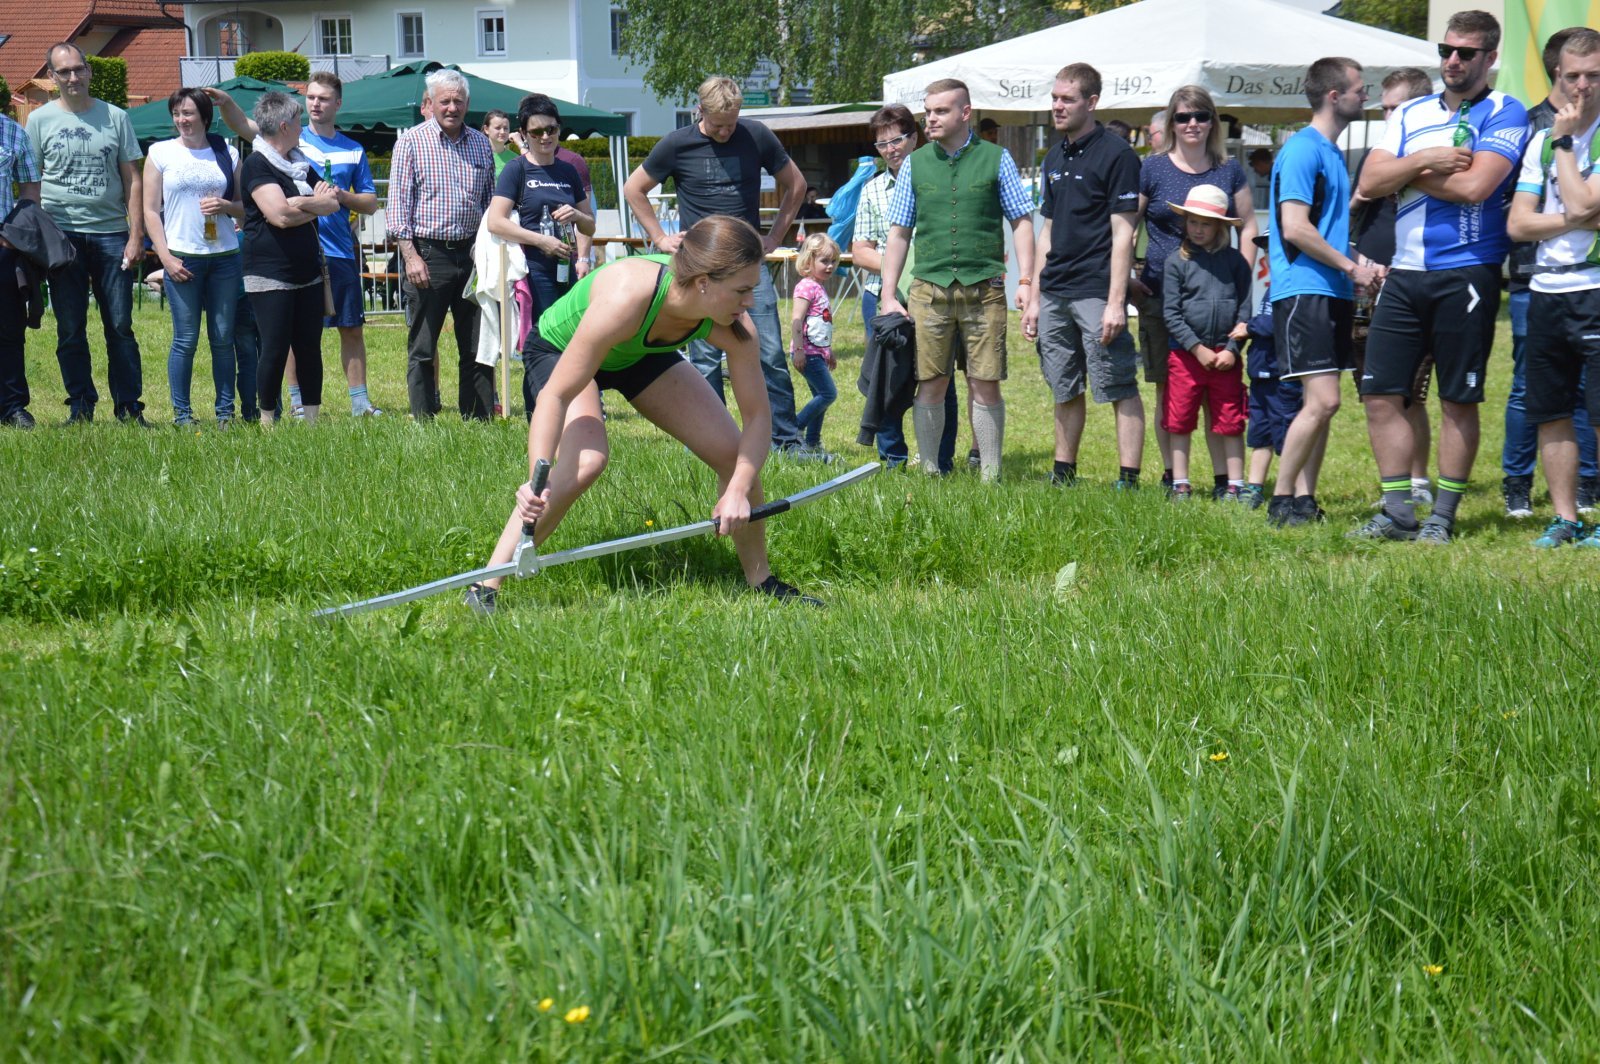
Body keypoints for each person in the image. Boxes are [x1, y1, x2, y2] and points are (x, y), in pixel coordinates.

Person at [465, 216, 820, 613]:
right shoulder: (627, 295)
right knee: (586, 462)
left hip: (639, 353)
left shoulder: (736, 327)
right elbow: (556, 394)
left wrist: (737, 489)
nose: (750, 302)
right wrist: (538, 475)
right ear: (704, 282)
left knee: (733, 455)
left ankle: (761, 580)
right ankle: (484, 585)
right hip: (561, 350)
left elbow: (757, 419)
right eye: (742, 290)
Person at [1351, 10, 1528, 544]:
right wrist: (1427, 159)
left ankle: (1442, 517)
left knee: (1457, 399)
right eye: (1446, 50)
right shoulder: (1411, 111)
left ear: (1489, 57)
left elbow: (1476, 188)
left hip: (1466, 270)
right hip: (1405, 271)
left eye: (1465, 52)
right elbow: (1369, 180)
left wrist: (1403, 174)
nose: (1452, 60)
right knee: (1380, 394)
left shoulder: (1506, 110)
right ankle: (1399, 513)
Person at [623, 76, 812, 454]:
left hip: (748, 264)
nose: (726, 131)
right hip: (700, 269)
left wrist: (775, 236)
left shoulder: (756, 136)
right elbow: (633, 188)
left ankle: (786, 440)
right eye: (718, 124)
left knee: (770, 353)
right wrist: (660, 237)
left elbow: (797, 185)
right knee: (705, 357)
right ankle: (710, 440)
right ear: (700, 111)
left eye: (732, 123)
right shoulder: (677, 144)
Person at [878, 78, 1036, 482]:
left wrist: (1026, 280)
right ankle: (931, 472)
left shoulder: (997, 158)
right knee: (931, 383)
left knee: (985, 383)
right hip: (928, 291)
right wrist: (887, 295)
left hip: (985, 290)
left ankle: (991, 476)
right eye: (928, 111)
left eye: (940, 111)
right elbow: (899, 233)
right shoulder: (914, 163)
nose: (930, 118)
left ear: (965, 113)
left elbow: (1021, 220)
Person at [209, 74, 382, 418]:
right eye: (311, 97)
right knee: (281, 340)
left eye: (323, 98)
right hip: (278, 262)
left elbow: (358, 202)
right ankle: (295, 403)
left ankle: (359, 402)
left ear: (338, 103)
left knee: (342, 329)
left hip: (331, 254)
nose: (315, 104)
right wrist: (227, 103)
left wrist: (310, 201)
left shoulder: (342, 149)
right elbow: (279, 213)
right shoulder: (279, 146)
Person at [1266, 57, 1378, 527]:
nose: (1365, 95)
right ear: (1335, 96)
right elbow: (1295, 227)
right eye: (1359, 88)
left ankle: (1305, 501)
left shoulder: (1331, 152)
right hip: (1304, 289)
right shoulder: (1302, 150)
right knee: (1325, 400)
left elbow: (1325, 230)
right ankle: (1280, 500)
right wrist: (1351, 267)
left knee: (1323, 407)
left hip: (1331, 289)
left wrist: (1360, 261)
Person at [1021, 62, 1145, 488]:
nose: (1057, 106)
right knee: (1064, 385)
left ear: (1091, 103)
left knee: (1118, 383)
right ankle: (1063, 474)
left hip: (1096, 290)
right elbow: (1048, 231)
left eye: (1067, 99)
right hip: (1055, 290)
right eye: (1055, 98)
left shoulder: (1118, 154)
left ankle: (1128, 480)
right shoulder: (1054, 156)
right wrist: (1034, 297)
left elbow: (1124, 233)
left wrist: (1116, 303)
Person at [1135, 85, 1258, 495]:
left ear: (1212, 122)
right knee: (1170, 392)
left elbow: (1249, 225)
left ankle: (1226, 480)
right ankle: (1176, 476)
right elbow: (1127, 225)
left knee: (1220, 398)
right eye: (1183, 116)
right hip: (1161, 294)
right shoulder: (1153, 167)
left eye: (1201, 116)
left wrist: (1240, 275)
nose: (1192, 124)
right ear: (1171, 122)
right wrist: (1127, 279)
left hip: (1220, 296)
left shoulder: (1229, 168)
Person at [1507, 28, 1600, 547]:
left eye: (1594, 76)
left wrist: (1564, 144)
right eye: (1573, 76)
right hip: (1545, 289)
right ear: (1557, 77)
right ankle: (1565, 518)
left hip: (1595, 286)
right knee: (1550, 409)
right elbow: (1518, 225)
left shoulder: (1559, 140)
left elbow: (1584, 202)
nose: (1582, 86)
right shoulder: (1539, 141)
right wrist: (1577, 218)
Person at [26, 42, 148, 425]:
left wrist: (136, 235)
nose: (73, 77)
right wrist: (37, 238)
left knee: (120, 326)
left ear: (89, 71)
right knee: (69, 327)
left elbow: (133, 178)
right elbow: (31, 183)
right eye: (64, 72)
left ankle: (128, 406)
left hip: (112, 233)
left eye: (79, 69)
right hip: (62, 236)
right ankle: (80, 405)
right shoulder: (38, 120)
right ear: (51, 77)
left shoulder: (116, 117)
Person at [850, 103, 959, 471]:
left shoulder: (940, 181)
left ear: (915, 138)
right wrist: (900, 267)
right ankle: (893, 460)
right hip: (883, 298)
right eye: (882, 144)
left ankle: (940, 460)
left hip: (936, 296)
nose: (890, 150)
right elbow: (860, 250)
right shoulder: (872, 190)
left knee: (940, 380)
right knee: (887, 381)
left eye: (896, 140)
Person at [1350, 66, 1438, 506]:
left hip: (1413, 282)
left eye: (1395, 107)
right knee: (1377, 392)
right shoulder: (1377, 155)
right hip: (1366, 289)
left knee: (1411, 391)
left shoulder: (1436, 153)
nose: (1388, 116)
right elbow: (1350, 214)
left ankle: (1417, 482)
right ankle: (1394, 483)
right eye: (1384, 108)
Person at [388, 69, 497, 420]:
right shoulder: (411, 142)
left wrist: (490, 255)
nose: (452, 107)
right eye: (445, 101)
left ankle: (479, 420)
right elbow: (398, 207)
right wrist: (411, 257)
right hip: (428, 254)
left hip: (473, 255)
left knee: (477, 345)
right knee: (423, 345)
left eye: (458, 101)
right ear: (431, 103)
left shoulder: (481, 143)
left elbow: (490, 203)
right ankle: (423, 421)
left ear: (467, 104)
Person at [486, 95, 595, 414]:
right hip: (532, 271)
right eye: (536, 132)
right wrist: (540, 241)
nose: (545, 137)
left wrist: (577, 216)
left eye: (551, 130)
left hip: (566, 267)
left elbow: (590, 225)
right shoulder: (516, 170)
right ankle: (537, 410)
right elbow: (496, 221)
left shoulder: (569, 170)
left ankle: (566, 406)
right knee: (543, 340)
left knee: (569, 339)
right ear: (524, 134)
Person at [142, 87, 244, 427]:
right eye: (176, 113)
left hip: (225, 256)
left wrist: (226, 206)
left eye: (188, 113)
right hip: (182, 257)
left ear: (204, 116)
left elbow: (246, 207)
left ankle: (225, 414)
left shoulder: (227, 152)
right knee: (185, 340)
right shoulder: (160, 152)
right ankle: (182, 415)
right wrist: (165, 258)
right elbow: (150, 210)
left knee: (223, 339)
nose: (181, 120)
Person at [239, 91, 341, 425]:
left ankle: (311, 421)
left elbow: (333, 202)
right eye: (298, 122)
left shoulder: (300, 163)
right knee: (275, 347)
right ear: (284, 126)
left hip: (308, 271)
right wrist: (313, 205)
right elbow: (279, 216)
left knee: (309, 346)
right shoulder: (257, 164)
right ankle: (268, 421)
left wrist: (299, 203)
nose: (302, 127)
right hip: (269, 274)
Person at [1161, 185, 1252, 501]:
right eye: (1193, 222)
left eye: (1206, 223)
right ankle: (1180, 482)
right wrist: (1196, 348)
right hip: (1186, 357)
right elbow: (1171, 313)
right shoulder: (1176, 262)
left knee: (1230, 419)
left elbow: (1244, 309)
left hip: (1226, 357)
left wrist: (1232, 350)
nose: (1198, 229)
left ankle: (1233, 484)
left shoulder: (1236, 262)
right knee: (1179, 419)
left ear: (1220, 227)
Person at [0, 105, 42, 429]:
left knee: (9, 329)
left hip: (2, 245)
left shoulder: (13, 131)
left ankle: (13, 407)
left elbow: (30, 190)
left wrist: (14, 236)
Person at [1242, 282, 1299, 509]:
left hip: (1281, 377)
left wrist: (1248, 327)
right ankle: (1254, 487)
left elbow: (1276, 323)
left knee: (1286, 435)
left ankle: (1290, 491)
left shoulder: (1291, 285)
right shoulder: (1275, 283)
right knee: (1260, 433)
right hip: (1260, 374)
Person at [790, 232, 839, 448]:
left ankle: (812, 443)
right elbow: (797, 320)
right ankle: (795, 428)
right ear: (809, 261)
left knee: (820, 396)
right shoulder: (806, 287)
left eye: (833, 261)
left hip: (817, 352)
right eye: (824, 261)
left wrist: (828, 351)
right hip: (807, 353)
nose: (830, 266)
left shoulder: (819, 287)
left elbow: (820, 326)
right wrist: (799, 350)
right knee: (828, 394)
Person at [484, 109, 517, 175]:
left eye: (505, 128)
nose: (502, 132)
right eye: (498, 128)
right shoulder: (478, 155)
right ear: (486, 129)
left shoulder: (516, 159)